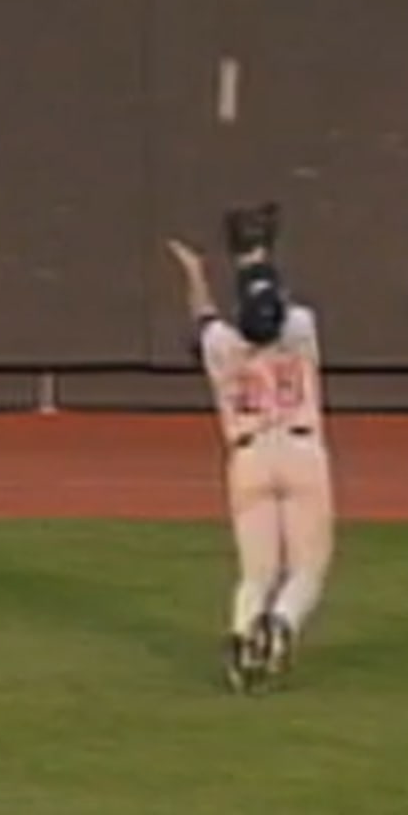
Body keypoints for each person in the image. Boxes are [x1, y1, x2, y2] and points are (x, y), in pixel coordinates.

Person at [163, 204, 334, 693]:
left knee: (254, 574)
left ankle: (242, 635)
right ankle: (280, 626)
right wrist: (256, 254)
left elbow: (206, 316)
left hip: (248, 458)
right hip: (302, 454)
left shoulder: (221, 345)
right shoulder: (301, 328)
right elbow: (270, 302)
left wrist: (196, 271)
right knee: (306, 570)